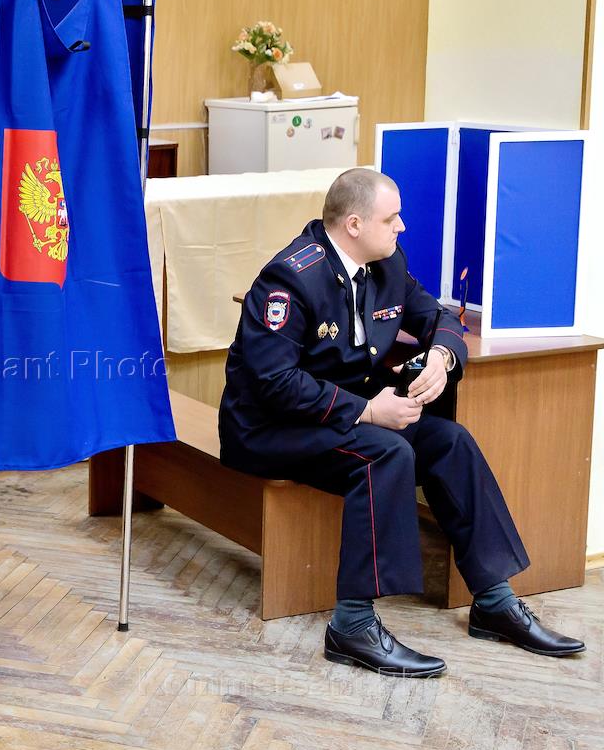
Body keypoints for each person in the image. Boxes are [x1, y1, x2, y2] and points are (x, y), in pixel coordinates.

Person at [219, 168, 585, 677]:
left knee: (450, 441)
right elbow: (274, 382)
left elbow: (440, 318)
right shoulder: (290, 278)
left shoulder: (386, 264)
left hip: (341, 418)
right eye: (391, 218)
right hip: (270, 429)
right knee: (388, 453)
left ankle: (494, 601)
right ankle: (352, 625)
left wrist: (441, 356)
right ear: (353, 224)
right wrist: (368, 410)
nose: (402, 227)